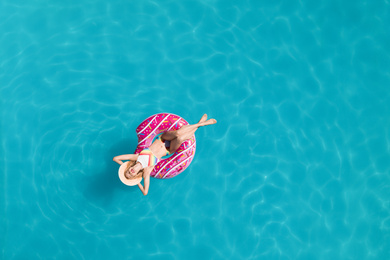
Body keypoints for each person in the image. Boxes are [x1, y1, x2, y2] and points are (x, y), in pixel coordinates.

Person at [113, 114, 217, 195]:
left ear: (128, 168)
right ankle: (200, 124)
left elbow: (115, 158)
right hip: (169, 149)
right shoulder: (147, 171)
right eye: (131, 175)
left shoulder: (136, 157)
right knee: (180, 138)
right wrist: (137, 182)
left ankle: (201, 124)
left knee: (177, 134)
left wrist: (123, 166)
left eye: (128, 172)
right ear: (135, 175)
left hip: (163, 138)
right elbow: (145, 192)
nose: (130, 172)